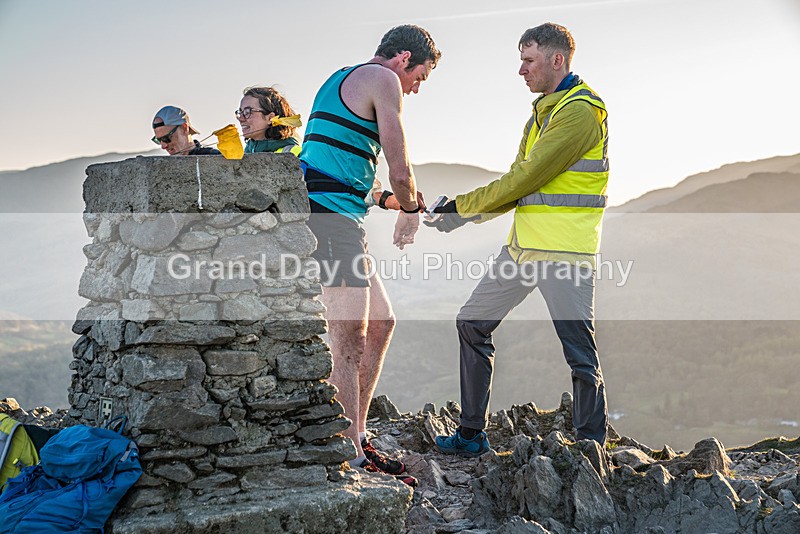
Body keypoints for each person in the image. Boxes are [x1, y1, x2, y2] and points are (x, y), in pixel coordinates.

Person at [428, 22, 610, 456]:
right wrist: (456, 216)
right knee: (472, 323)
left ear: (557, 59)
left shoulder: (580, 112)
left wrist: (461, 209)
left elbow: (527, 177)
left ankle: (591, 448)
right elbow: (517, 184)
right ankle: (472, 435)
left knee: (580, 355)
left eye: (529, 60)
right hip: (523, 249)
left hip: (565, 253)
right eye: (521, 60)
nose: (521, 70)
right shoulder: (542, 113)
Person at [299, 24, 441, 485]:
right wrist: (411, 210)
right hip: (329, 219)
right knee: (349, 338)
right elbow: (400, 165)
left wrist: (386, 200)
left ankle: (357, 434)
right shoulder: (382, 79)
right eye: (419, 77)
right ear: (404, 59)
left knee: (381, 322)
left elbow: (340, 162)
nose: (415, 88)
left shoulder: (341, 77)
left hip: (339, 216)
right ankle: (348, 455)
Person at [237, 86, 301, 155]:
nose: (240, 119)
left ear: (270, 118)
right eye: (240, 112)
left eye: (247, 112)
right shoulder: (242, 155)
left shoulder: (291, 152)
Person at [151, 106, 220, 156]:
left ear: (184, 128)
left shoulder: (214, 157)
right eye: (158, 140)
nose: (163, 146)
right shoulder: (163, 167)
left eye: (166, 138)